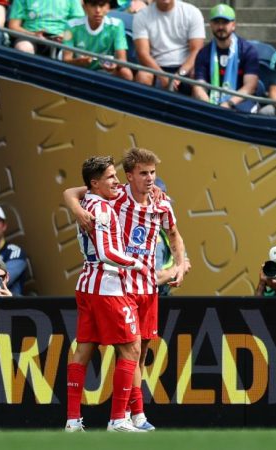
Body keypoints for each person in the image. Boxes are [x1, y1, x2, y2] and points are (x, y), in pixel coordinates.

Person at [64, 148, 187, 432]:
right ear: (129, 176)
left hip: (147, 286)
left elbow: (175, 235)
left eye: (152, 173)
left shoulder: (162, 203)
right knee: (128, 351)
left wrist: (180, 264)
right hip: (120, 284)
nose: (150, 178)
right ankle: (123, 417)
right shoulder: (115, 196)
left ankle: (135, 416)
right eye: (143, 173)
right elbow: (72, 192)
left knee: (139, 353)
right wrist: (77, 210)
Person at [64, 156, 146, 433]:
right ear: (95, 183)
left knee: (84, 349)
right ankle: (118, 420)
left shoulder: (89, 201)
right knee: (131, 348)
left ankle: (72, 421)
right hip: (108, 287)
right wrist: (136, 264)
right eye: (111, 177)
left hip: (88, 283)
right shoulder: (101, 209)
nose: (117, 181)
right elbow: (106, 252)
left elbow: (70, 192)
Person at [192, 4, 260, 113]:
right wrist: (209, 106)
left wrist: (229, 103)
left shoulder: (247, 51)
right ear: (211, 25)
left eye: (225, 22)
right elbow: (199, 85)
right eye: (216, 22)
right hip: (212, 101)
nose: (220, 27)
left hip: (241, 101)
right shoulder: (203, 53)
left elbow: (250, 86)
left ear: (233, 25)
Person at [133, 0, 205, 95]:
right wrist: (162, 76)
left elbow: (197, 50)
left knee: (198, 77)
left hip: (185, 68)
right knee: (143, 76)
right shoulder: (141, 16)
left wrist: (180, 74)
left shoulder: (192, 12)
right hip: (156, 68)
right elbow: (143, 53)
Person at [63, 0, 133, 81]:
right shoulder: (70, 25)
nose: (98, 10)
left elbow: (122, 60)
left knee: (126, 73)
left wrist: (114, 66)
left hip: (104, 72)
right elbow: (66, 60)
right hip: (77, 70)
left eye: (102, 5)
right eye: (93, 5)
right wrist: (79, 62)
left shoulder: (117, 25)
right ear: (84, 7)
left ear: (108, 7)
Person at [8, 0, 84, 56]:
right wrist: (33, 35)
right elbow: (13, 26)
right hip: (30, 37)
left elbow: (79, 25)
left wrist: (65, 36)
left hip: (62, 40)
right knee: (23, 48)